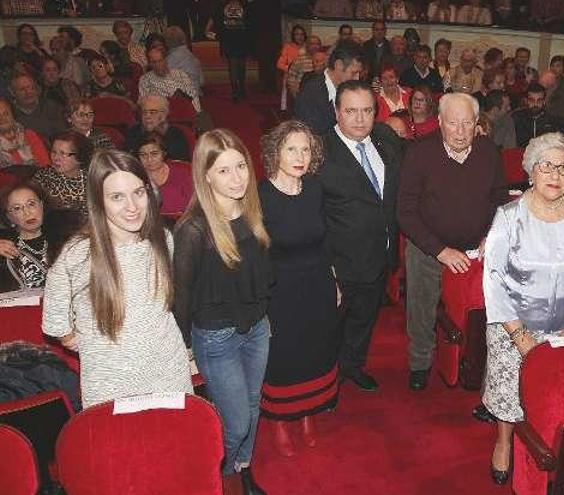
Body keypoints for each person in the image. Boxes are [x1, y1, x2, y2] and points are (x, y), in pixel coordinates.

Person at [483, 132, 564, 485]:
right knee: (510, 396)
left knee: (555, 393)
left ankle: (548, 440)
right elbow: (494, 280)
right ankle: (503, 439)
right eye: (546, 166)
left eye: (562, 167)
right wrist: (520, 335)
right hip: (512, 327)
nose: (554, 174)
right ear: (530, 172)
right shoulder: (508, 216)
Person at [42, 149, 192, 409]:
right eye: (117, 197)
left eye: (138, 192)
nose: (132, 207)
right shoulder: (78, 253)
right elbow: (55, 322)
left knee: (172, 446)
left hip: (169, 371)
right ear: (98, 201)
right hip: (110, 384)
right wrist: (90, 344)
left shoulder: (163, 239)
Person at [172, 129, 271, 494]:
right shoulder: (193, 229)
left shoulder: (252, 215)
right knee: (236, 422)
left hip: (256, 327)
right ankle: (216, 475)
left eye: (241, 166)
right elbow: (180, 296)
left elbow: (260, 278)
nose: (237, 177)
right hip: (216, 337)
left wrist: (265, 319)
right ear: (206, 175)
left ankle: (242, 470)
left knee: (252, 406)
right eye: (224, 170)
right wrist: (184, 350)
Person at [397, 92, 508, 391]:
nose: (460, 132)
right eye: (453, 123)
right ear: (440, 123)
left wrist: (491, 235)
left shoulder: (488, 152)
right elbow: (404, 212)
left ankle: (476, 363)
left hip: (477, 248)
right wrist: (440, 251)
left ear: (477, 124)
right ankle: (420, 362)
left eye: (467, 123)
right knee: (421, 308)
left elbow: (500, 199)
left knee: (480, 311)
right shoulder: (419, 153)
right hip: (428, 247)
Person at [257, 120, 341, 455]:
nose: (299, 156)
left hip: (317, 283)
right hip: (280, 290)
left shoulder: (316, 189)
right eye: (291, 148)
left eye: (305, 149)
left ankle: (307, 413)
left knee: (315, 351)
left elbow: (325, 240)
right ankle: (279, 422)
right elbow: (258, 255)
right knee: (284, 357)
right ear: (275, 152)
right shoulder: (260, 196)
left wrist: (333, 279)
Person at [318, 80, 401, 392]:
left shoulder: (384, 138)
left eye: (367, 110)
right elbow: (313, 214)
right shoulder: (320, 151)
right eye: (351, 111)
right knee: (331, 326)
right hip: (338, 262)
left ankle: (352, 365)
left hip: (379, 255)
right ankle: (326, 380)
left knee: (364, 319)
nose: (360, 119)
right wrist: (326, 265)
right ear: (337, 112)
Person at [0, 182, 64, 292]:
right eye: (17, 208)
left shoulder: (65, 235)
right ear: (9, 217)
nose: (27, 212)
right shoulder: (3, 244)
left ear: (42, 205)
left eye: (31, 204)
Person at [294, 41, 364, 136]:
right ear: (339, 65)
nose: (357, 78)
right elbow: (313, 137)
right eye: (354, 73)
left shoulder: (352, 90)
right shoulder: (311, 94)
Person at [33, 131, 93, 216]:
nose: (56, 158)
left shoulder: (93, 177)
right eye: (54, 152)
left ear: (79, 156)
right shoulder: (43, 177)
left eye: (63, 153)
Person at [135, 132, 193, 216]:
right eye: (143, 155)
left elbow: (195, 207)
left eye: (154, 154)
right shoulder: (134, 177)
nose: (149, 159)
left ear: (163, 153)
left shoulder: (184, 172)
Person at [208, 0, 251, 102]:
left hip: (243, 38)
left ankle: (241, 87)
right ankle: (236, 90)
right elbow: (215, 17)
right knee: (233, 64)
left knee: (241, 65)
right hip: (228, 39)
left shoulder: (245, 5)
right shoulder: (221, 4)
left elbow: (251, 20)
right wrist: (208, 28)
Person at [125, 95, 190, 162]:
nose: (147, 116)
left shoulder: (176, 135)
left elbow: (179, 164)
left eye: (152, 112)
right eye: (144, 112)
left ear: (164, 115)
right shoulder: (133, 132)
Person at [139, 47, 203, 113]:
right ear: (149, 63)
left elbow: (193, 95)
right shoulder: (145, 80)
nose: (158, 65)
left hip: (186, 112)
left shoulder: (180, 74)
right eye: (154, 62)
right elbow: (145, 104)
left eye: (160, 61)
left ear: (165, 60)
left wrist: (196, 112)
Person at [9, 73, 66, 140]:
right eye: (22, 89)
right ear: (13, 93)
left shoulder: (52, 107)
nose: (28, 92)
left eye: (31, 87)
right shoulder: (9, 114)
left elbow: (63, 136)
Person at [0, 97, 49, 168]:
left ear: (12, 114)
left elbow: (45, 164)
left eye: (6, 114)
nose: (2, 119)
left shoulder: (29, 135)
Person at [511, 83, 561, 147]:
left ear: (544, 101)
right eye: (531, 100)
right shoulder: (516, 118)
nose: (535, 104)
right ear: (526, 101)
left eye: (539, 101)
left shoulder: (553, 121)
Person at [164, 26, 205, 94]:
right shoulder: (190, 55)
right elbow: (202, 81)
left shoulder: (172, 58)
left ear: (167, 42)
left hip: (182, 95)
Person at [285, 35, 323, 102]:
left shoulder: (324, 59)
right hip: (302, 94)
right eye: (312, 44)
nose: (315, 46)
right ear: (306, 45)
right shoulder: (298, 60)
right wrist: (296, 92)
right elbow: (290, 78)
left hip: (320, 93)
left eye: (317, 44)